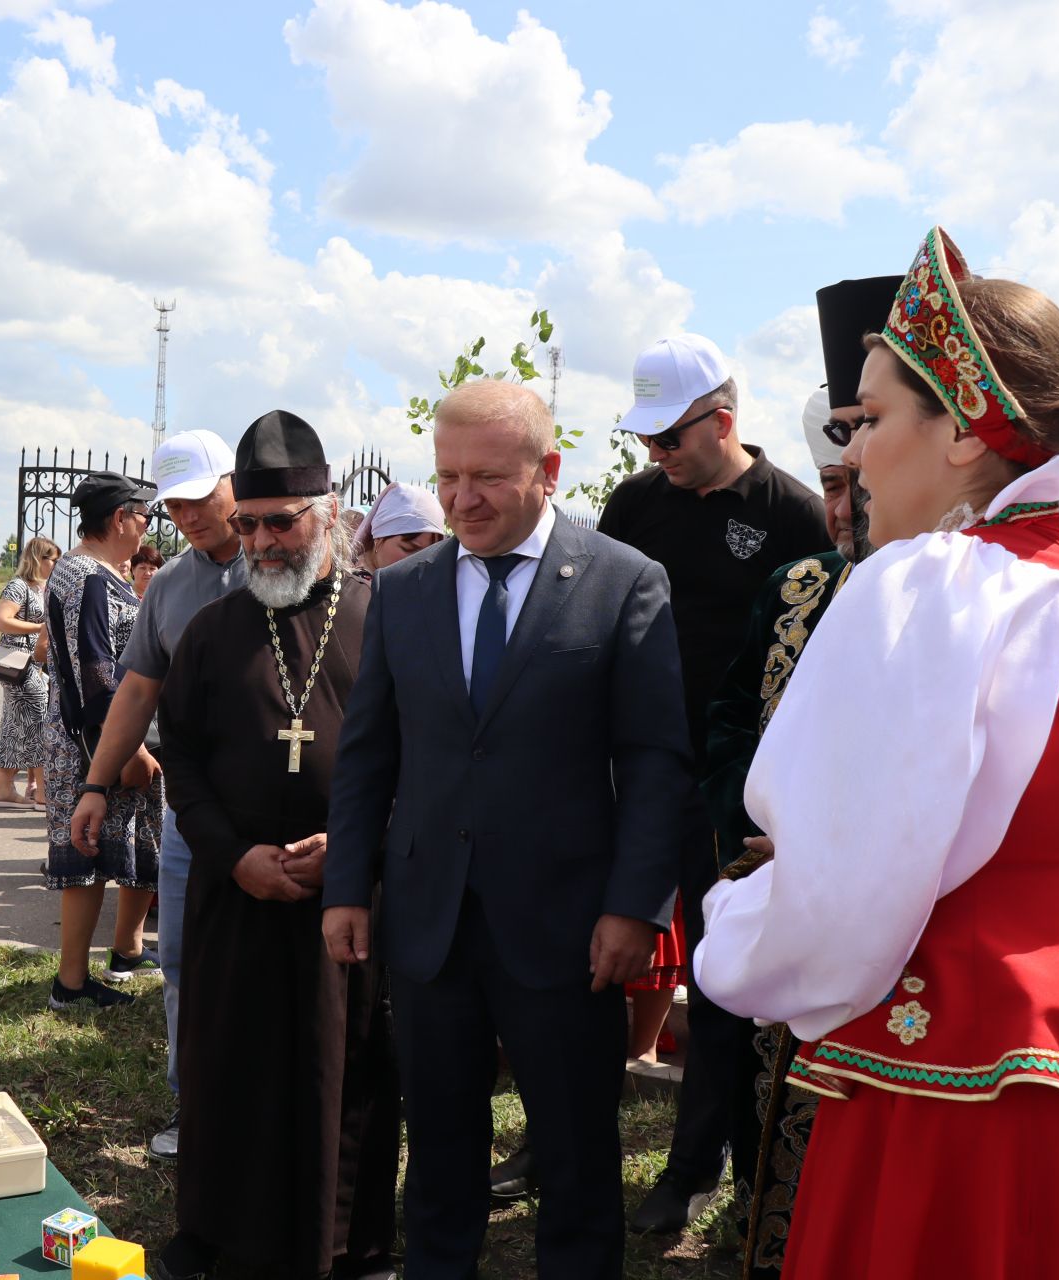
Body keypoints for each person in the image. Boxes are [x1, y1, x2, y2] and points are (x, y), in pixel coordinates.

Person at [697, 227, 1059, 1280]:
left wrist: (733, 935)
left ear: (962, 435)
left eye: (871, 417)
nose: (848, 454)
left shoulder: (937, 585)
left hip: (967, 1086)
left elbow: (841, 902)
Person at [325, 380, 694, 1279]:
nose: (461, 500)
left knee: (573, 1146)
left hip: (567, 925)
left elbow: (655, 761)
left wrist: (635, 906)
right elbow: (370, 755)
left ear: (548, 471)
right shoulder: (403, 591)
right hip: (429, 922)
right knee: (442, 1139)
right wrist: (347, 886)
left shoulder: (622, 581)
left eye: (486, 476)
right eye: (446, 477)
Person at [596, 333, 833, 1234]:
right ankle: (564, 1134)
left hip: (735, 788)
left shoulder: (794, 516)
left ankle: (703, 1168)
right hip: (632, 772)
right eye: (645, 442)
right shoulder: (633, 504)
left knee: (721, 979)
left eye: (668, 440)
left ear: (722, 421)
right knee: (601, 953)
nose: (654, 458)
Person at [155, 410, 398, 1280]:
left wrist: (358, 844)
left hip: (346, 896)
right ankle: (219, 1231)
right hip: (238, 889)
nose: (260, 541)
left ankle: (345, 1243)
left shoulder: (386, 621)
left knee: (348, 1068)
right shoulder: (214, 634)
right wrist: (232, 855)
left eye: (280, 521)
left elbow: (422, 760)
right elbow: (179, 755)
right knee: (230, 1064)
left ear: (326, 515)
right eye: (248, 523)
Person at [698, 272, 897, 1278]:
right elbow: (734, 719)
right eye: (830, 487)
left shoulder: (981, 593)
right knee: (771, 1109)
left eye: (860, 478)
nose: (847, 503)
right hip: (779, 898)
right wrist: (751, 829)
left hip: (910, 959)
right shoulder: (799, 586)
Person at [70, 429, 245, 1160]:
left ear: (233, 482)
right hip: (191, 810)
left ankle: (266, 1104)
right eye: (174, 502)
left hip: (278, 808)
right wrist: (95, 784)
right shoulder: (170, 584)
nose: (189, 513)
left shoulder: (286, 567)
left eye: (202, 495)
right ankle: (194, 1103)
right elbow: (137, 688)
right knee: (182, 962)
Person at [43, 473, 161, 1009]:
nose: (145, 527)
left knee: (107, 849)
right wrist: (126, 751)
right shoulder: (89, 576)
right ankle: (70, 983)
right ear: (120, 518)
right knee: (84, 854)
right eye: (143, 516)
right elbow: (95, 671)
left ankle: (117, 956)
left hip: (97, 735)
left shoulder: (84, 570)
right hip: (92, 741)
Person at [0, 536, 59, 809]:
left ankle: (3, 789)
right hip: (19, 662)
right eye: (52, 558)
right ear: (38, 558)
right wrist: (39, 628)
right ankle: (42, 792)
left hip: (31, 664)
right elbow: (1, 620)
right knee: (43, 719)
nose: (56, 563)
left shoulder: (43, 586)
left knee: (13, 725)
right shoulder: (19, 586)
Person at [351, 482, 446, 570]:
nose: (419, 562)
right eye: (409, 549)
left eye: (430, 554)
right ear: (378, 538)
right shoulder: (354, 586)